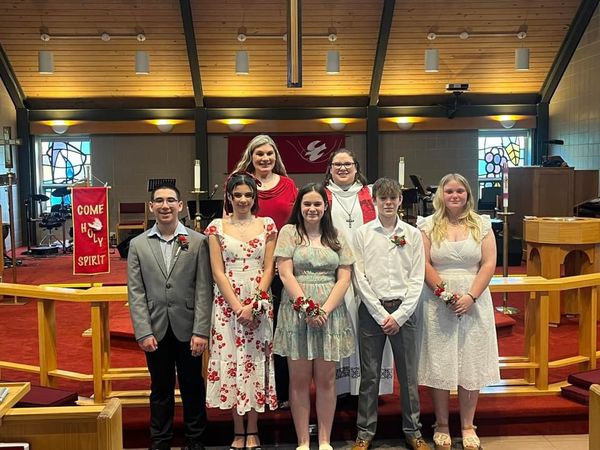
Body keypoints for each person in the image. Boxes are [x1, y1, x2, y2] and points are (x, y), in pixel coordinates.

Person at [417, 173, 499, 450]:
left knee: (470, 361)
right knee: (440, 361)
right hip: (437, 300)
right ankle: (441, 423)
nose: (455, 195)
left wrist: (470, 296)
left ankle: (467, 425)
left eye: (460, 191)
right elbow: (424, 263)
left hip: (473, 299)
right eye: (449, 190)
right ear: (441, 194)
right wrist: (445, 294)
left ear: (467, 194)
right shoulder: (427, 225)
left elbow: (488, 263)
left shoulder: (481, 224)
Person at [128, 183, 213, 450]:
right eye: (159, 201)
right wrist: (143, 331)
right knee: (160, 389)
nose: (165, 205)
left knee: (192, 387)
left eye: (171, 200)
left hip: (188, 328)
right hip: (155, 328)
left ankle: (195, 440)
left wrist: (201, 330)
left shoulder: (197, 241)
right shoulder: (138, 244)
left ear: (180, 206)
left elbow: (203, 288)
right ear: (151, 206)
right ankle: (160, 441)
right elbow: (136, 291)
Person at [273, 183, 355, 450]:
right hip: (297, 312)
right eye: (307, 204)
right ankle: (303, 442)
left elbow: (344, 278)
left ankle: (324, 440)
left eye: (317, 204)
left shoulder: (336, 236)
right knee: (298, 381)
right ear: (299, 207)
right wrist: (307, 307)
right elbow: (285, 273)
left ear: (325, 207)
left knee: (326, 380)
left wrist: (324, 310)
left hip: (330, 313)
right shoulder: (289, 233)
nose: (312, 208)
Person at [351, 178, 430, 450]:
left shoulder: (413, 234)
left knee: (408, 375)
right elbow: (358, 276)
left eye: (392, 198)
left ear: (399, 200)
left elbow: (417, 277)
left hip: (404, 311)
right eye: (382, 198)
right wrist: (378, 310)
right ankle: (364, 432)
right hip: (371, 311)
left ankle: (413, 430)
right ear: (374, 201)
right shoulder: (362, 234)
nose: (387, 203)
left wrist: (400, 315)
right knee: (370, 374)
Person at [204, 173, 278, 450]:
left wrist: (255, 303)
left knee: (255, 362)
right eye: (238, 195)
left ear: (254, 197)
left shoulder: (268, 225)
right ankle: (238, 430)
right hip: (227, 304)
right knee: (234, 363)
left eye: (248, 195)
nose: (244, 200)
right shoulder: (216, 227)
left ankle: (254, 429)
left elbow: (269, 267)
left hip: (258, 300)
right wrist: (237, 307)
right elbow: (217, 271)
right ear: (230, 198)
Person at [234, 134, 298, 408]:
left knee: (281, 330)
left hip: (283, 266)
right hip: (251, 268)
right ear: (251, 156)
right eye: (259, 154)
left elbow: (296, 222)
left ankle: (281, 392)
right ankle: (253, 389)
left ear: (276, 157)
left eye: (269, 154)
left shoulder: (288, 184)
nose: (264, 158)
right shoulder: (242, 182)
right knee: (255, 331)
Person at [323, 149, 394, 398]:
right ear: (330, 168)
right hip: (336, 274)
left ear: (356, 167)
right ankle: (342, 388)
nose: (343, 168)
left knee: (367, 327)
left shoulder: (371, 193)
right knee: (342, 326)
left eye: (348, 164)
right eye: (337, 164)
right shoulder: (321, 196)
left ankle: (369, 386)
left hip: (368, 271)